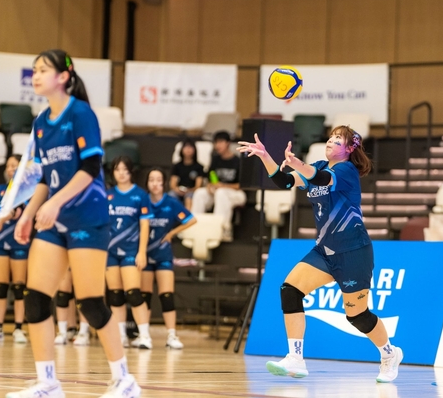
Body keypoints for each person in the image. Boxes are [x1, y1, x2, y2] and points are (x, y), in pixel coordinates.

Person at [8, 49, 140, 398]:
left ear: (63, 77)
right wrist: (28, 213)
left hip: (87, 217)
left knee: (91, 303)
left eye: (43, 70)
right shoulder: (40, 123)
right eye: (34, 70)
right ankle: (48, 382)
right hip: (54, 219)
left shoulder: (81, 113)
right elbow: (43, 178)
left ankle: (124, 380)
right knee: (36, 299)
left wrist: (54, 202)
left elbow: (90, 168)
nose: (36, 76)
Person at [237, 126, 403, 383]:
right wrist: (265, 156)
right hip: (324, 251)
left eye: (338, 139)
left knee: (357, 316)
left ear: (349, 149)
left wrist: (297, 164)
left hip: (353, 253)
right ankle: (295, 358)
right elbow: (285, 181)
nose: (330, 141)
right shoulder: (317, 166)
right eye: (330, 137)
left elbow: (321, 178)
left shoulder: (346, 171)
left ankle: (389, 354)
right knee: (290, 290)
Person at [139, 168, 196, 349]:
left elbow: (191, 220)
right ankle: (143, 335)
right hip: (145, 255)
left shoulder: (171, 203)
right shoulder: (142, 201)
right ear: (147, 183)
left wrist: (172, 233)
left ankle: (171, 335)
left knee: (166, 295)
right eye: (151, 180)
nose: (155, 184)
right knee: (145, 296)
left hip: (163, 254)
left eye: (158, 180)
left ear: (163, 183)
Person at [106, 156, 153, 349]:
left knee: (133, 293)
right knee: (115, 295)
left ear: (131, 172)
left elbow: (145, 225)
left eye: (125, 170)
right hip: (110, 252)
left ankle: (145, 336)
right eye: (118, 169)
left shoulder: (140, 195)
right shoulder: (107, 195)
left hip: (131, 251)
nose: (121, 173)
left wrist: (142, 252)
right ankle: (120, 336)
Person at [0, 155, 29, 344]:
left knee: (19, 286)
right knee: (0, 286)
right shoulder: (0, 190)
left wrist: (9, 216)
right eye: (8, 166)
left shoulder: (27, 191)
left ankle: (18, 328)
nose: (11, 169)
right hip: (1, 241)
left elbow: (21, 213)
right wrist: (0, 220)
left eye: (15, 166)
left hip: (19, 242)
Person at [191, 131, 245, 241]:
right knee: (200, 193)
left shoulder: (237, 161)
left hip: (236, 193)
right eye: (216, 142)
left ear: (228, 143)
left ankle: (221, 229)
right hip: (218, 192)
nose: (217, 145)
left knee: (221, 193)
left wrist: (223, 186)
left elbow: (241, 185)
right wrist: (210, 185)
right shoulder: (215, 160)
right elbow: (212, 177)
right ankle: (193, 227)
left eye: (220, 142)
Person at [169, 138, 204, 210]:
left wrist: (189, 190)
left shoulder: (199, 167)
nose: (188, 149)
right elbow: (173, 184)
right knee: (171, 195)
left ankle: (187, 215)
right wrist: (177, 190)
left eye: (190, 147)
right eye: (186, 147)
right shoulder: (177, 166)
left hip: (192, 191)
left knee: (189, 196)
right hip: (179, 190)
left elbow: (198, 186)